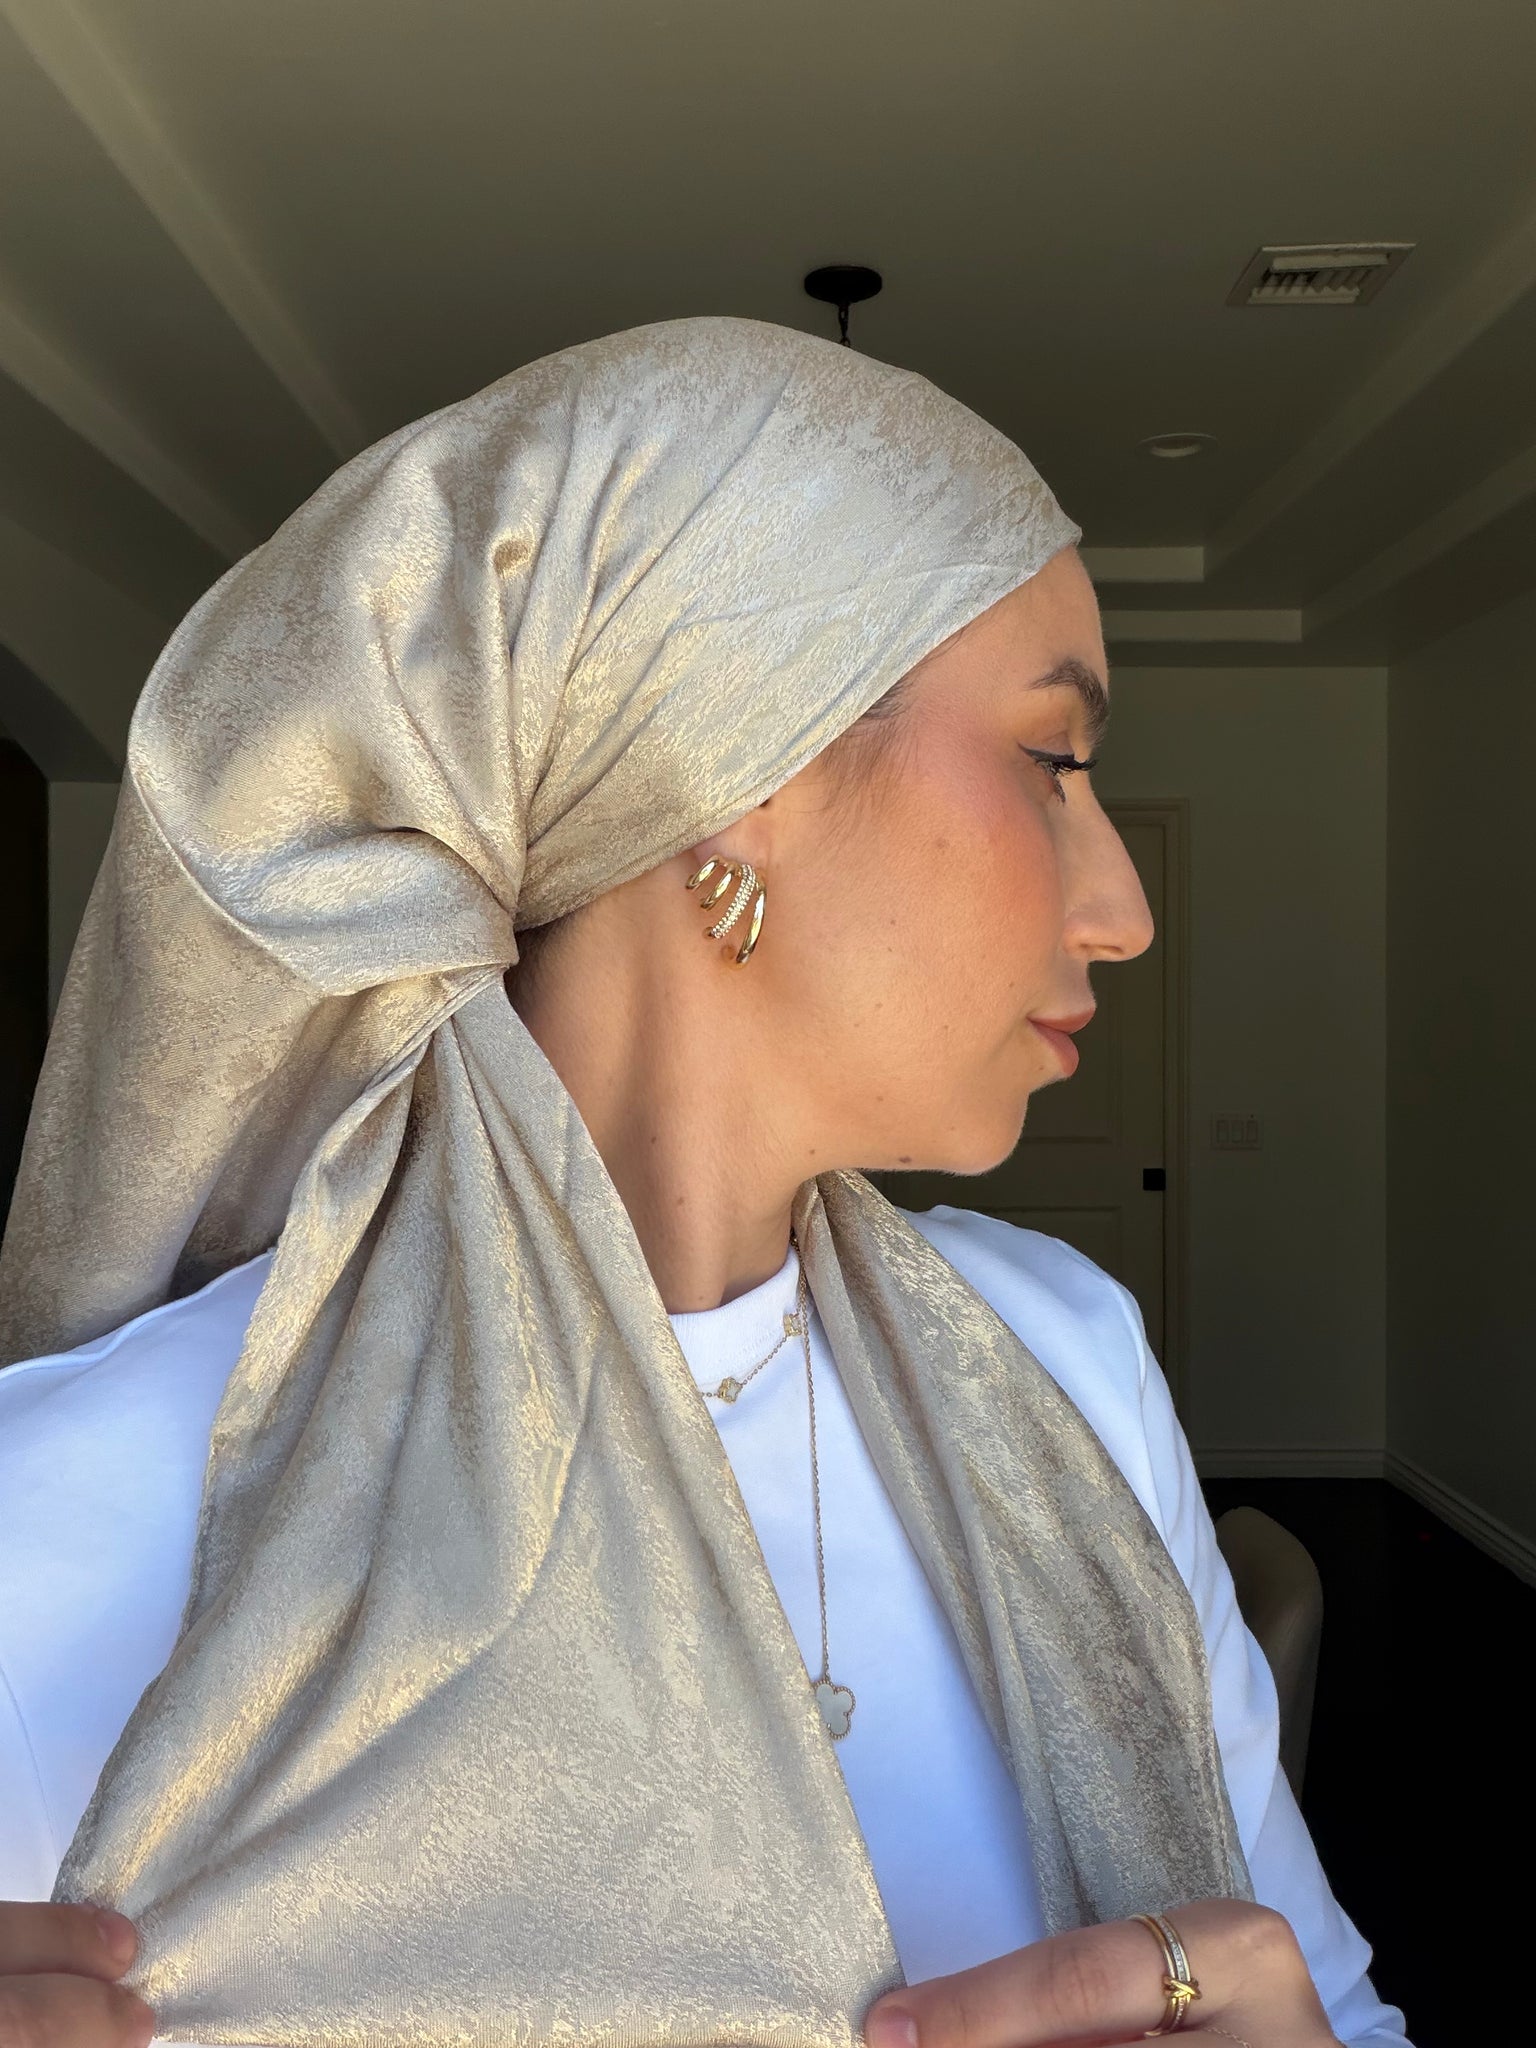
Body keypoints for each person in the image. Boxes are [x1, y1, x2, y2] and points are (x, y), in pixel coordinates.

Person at [0, 316, 1408, 2048]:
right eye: (1054, 762)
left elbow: (1333, 2000)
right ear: (739, 774)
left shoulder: (1072, 1362)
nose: (1121, 908)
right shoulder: (81, 1511)